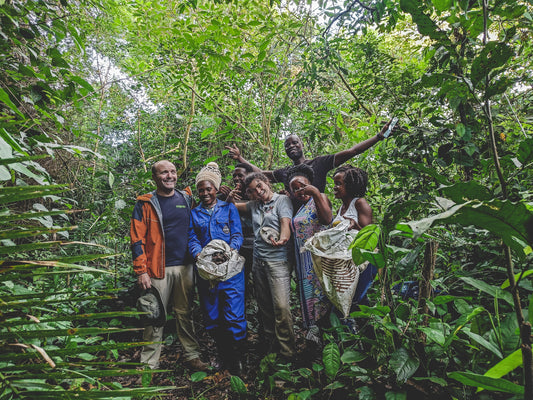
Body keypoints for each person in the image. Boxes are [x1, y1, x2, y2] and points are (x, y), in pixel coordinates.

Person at [130, 160, 206, 371]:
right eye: (164, 173)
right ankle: (148, 365)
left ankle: (192, 355)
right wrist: (141, 271)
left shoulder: (186, 198)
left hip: (186, 267)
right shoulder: (144, 204)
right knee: (154, 316)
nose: (170, 176)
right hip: (157, 269)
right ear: (155, 177)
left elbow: (207, 211)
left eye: (172, 172)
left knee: (185, 313)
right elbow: (137, 239)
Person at [226, 120, 396, 195]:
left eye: (294, 143)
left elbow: (351, 152)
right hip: (292, 221)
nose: (291, 146)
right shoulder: (286, 171)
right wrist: (241, 159)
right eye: (287, 146)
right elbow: (262, 174)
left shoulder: (320, 163)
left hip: (316, 216)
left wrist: (379, 136)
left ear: (302, 145)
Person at [227, 172, 296, 360]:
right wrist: (229, 196)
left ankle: (288, 352)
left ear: (266, 183)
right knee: (265, 308)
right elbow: (230, 206)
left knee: (281, 307)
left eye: (259, 186)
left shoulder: (282, 200)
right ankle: (271, 348)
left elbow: (285, 222)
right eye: (252, 191)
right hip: (259, 262)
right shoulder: (254, 205)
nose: (258, 192)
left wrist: (283, 239)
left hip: (278, 262)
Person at [188, 162, 246, 374]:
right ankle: (222, 354)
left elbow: (237, 234)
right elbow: (192, 238)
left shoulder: (228, 208)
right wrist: (199, 254)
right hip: (206, 273)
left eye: (208, 189)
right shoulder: (194, 214)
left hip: (231, 272)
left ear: (215, 189)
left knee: (234, 314)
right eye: (201, 190)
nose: (205, 193)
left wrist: (230, 251)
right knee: (212, 316)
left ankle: (237, 358)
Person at [286, 164, 333, 347]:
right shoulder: (300, 208)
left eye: (302, 186)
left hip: (319, 259)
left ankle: (328, 338)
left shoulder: (320, 197)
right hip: (303, 262)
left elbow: (327, 219)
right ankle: (314, 339)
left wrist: (315, 193)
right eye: (295, 189)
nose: (299, 190)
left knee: (323, 297)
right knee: (309, 299)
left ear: (311, 184)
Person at [332, 164, 377, 308]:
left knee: (356, 299)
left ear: (350, 186)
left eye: (339, 184)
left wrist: (354, 224)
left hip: (364, 261)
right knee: (352, 299)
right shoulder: (340, 208)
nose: (335, 187)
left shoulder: (359, 203)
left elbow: (369, 234)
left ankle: (363, 328)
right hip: (347, 261)